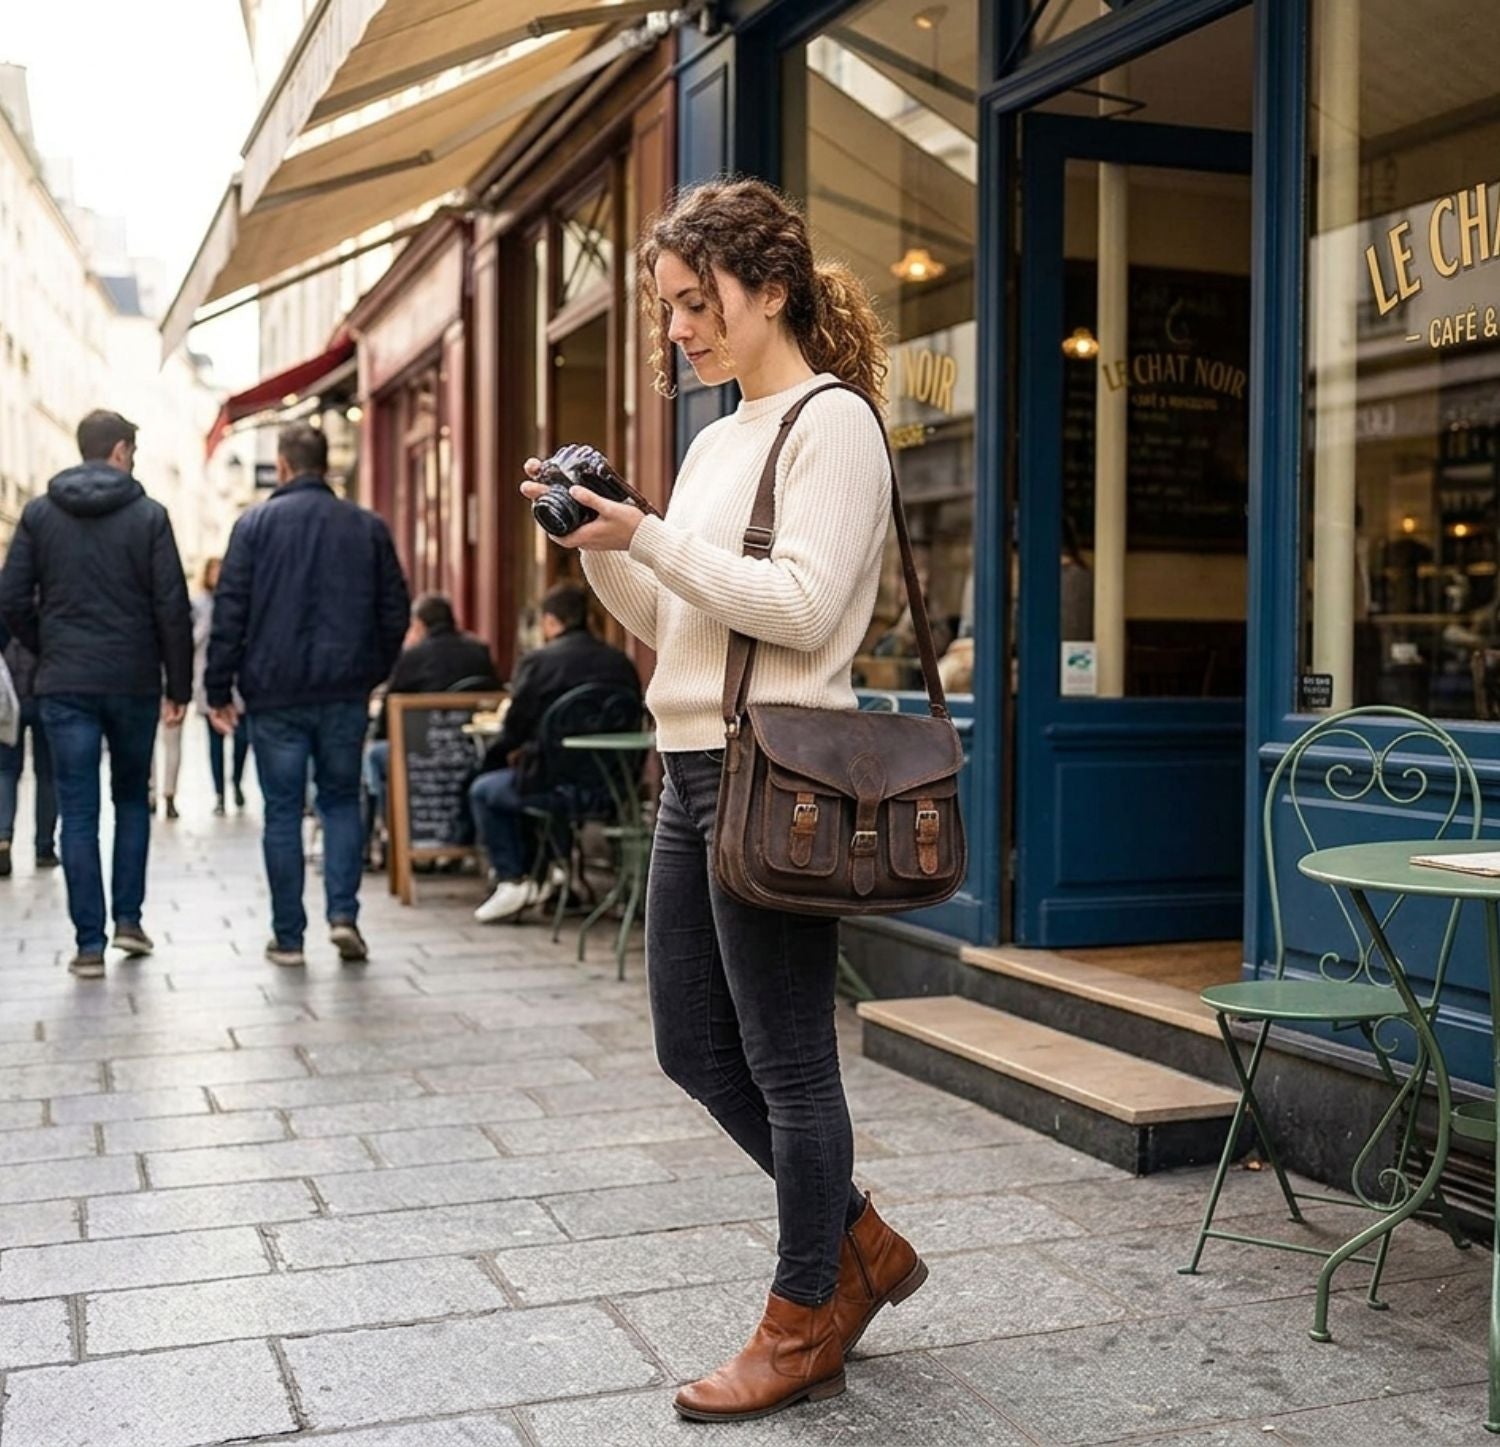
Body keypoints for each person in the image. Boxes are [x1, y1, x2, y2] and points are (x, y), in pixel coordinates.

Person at [520, 178, 925, 1423]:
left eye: (698, 302)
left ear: (773, 289)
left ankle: (805, 1317)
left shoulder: (833, 425)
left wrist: (649, 535)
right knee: (691, 1045)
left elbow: (800, 607)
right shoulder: (713, 442)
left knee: (792, 1062)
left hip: (781, 774)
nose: (679, 329)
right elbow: (681, 614)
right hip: (692, 765)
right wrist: (604, 544)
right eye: (670, 307)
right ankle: (859, 1240)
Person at [205, 422, 409, 969]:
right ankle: (343, 916)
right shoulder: (367, 527)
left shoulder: (253, 526)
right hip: (344, 691)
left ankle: (288, 937)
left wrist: (218, 687)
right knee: (340, 799)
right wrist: (371, 671)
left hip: (274, 692)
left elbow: (230, 613)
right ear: (326, 466)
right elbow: (396, 610)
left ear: (283, 465)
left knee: (281, 811)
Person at [0, 409, 192, 977]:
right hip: (132, 680)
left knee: (78, 811)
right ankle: (128, 920)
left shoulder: (39, 514)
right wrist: (178, 684)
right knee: (131, 799)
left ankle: (89, 944)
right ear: (120, 451)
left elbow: (11, 599)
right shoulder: (150, 516)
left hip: (65, 682)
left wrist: (49, 646)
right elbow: (172, 606)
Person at [469, 581, 639, 923]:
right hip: (611, 787)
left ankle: (514, 879)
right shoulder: (620, 663)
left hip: (550, 784)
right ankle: (556, 873)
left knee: (485, 790)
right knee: (528, 780)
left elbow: (514, 729)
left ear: (549, 621)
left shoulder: (538, 662)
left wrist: (492, 760)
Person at [365, 592, 498, 860]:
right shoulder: (478, 651)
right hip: (473, 749)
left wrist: (377, 734)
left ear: (419, 625)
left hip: (422, 757)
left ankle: (386, 837)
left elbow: (388, 712)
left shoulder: (414, 656)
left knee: (374, 756)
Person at [192, 557, 249, 816]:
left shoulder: (240, 599)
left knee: (242, 738)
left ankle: (236, 781)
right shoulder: (199, 604)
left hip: (240, 680)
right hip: (207, 676)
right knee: (215, 742)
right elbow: (191, 640)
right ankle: (219, 794)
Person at [0, 628, 58, 877]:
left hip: (8, 688)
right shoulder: (51, 605)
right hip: (46, 685)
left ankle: (2, 838)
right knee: (47, 774)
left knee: (5, 770)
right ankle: (45, 847)